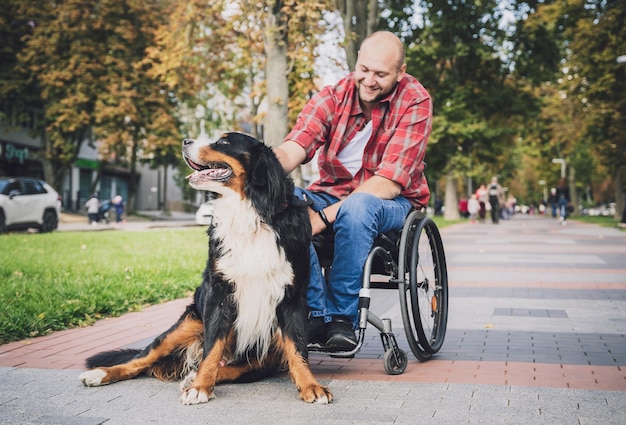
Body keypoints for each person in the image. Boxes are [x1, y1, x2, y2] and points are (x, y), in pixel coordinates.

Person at [273, 31, 432, 351]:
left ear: (401, 72)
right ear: (357, 60)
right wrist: (259, 171)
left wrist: (320, 218)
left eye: (381, 74)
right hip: (331, 192)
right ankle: (316, 314)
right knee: (283, 200)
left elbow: (388, 182)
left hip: (393, 202)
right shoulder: (333, 97)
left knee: (359, 206)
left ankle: (341, 319)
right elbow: (295, 146)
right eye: (364, 69)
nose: (369, 80)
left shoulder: (415, 100)